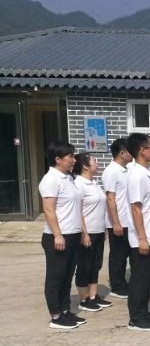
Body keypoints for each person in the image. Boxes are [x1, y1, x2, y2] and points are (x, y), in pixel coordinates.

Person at [39, 141, 86, 330]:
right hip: (58, 236)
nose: (74, 160)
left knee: (67, 276)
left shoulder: (68, 178)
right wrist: (57, 235)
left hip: (72, 234)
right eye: (70, 157)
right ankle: (56, 316)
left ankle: (65, 310)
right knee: (56, 277)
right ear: (58, 159)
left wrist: (81, 231)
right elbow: (49, 210)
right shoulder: (51, 179)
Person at [126, 133, 150, 331]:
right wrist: (142, 238)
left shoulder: (147, 174)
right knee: (140, 279)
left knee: (149, 277)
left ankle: (144, 311)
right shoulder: (136, 176)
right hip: (143, 238)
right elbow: (136, 208)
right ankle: (136, 318)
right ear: (142, 151)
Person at [72, 153, 111, 313]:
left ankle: (93, 296)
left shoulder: (94, 183)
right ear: (85, 166)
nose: (97, 163)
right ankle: (84, 299)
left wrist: (103, 229)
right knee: (84, 266)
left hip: (98, 230)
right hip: (87, 232)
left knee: (95, 265)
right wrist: (84, 233)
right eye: (94, 161)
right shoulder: (78, 184)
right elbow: (78, 211)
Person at [102, 138, 133, 299]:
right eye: (130, 151)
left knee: (128, 253)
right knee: (118, 255)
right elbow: (110, 198)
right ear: (122, 153)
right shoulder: (111, 171)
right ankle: (117, 286)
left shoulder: (126, 170)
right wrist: (115, 222)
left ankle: (124, 282)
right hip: (118, 221)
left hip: (129, 220)